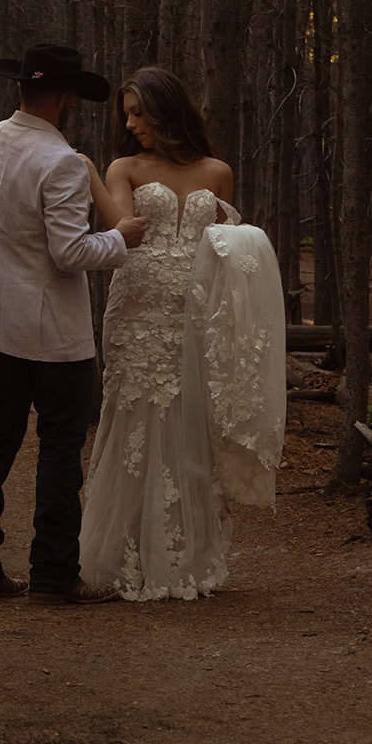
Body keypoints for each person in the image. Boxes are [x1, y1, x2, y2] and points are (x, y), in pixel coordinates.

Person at [78, 65, 286, 601]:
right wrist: (94, 178)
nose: (130, 123)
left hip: (194, 310)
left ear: (165, 112)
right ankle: (124, 552)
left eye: (138, 113)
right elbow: (126, 232)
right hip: (138, 306)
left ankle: (183, 552)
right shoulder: (124, 165)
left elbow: (229, 247)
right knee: (135, 416)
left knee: (191, 418)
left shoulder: (218, 171)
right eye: (126, 114)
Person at [0, 43, 148, 605]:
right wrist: (121, 238)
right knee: (60, 448)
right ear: (64, 97)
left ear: (21, 88)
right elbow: (69, 253)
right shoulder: (60, 160)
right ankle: (54, 575)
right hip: (54, 333)